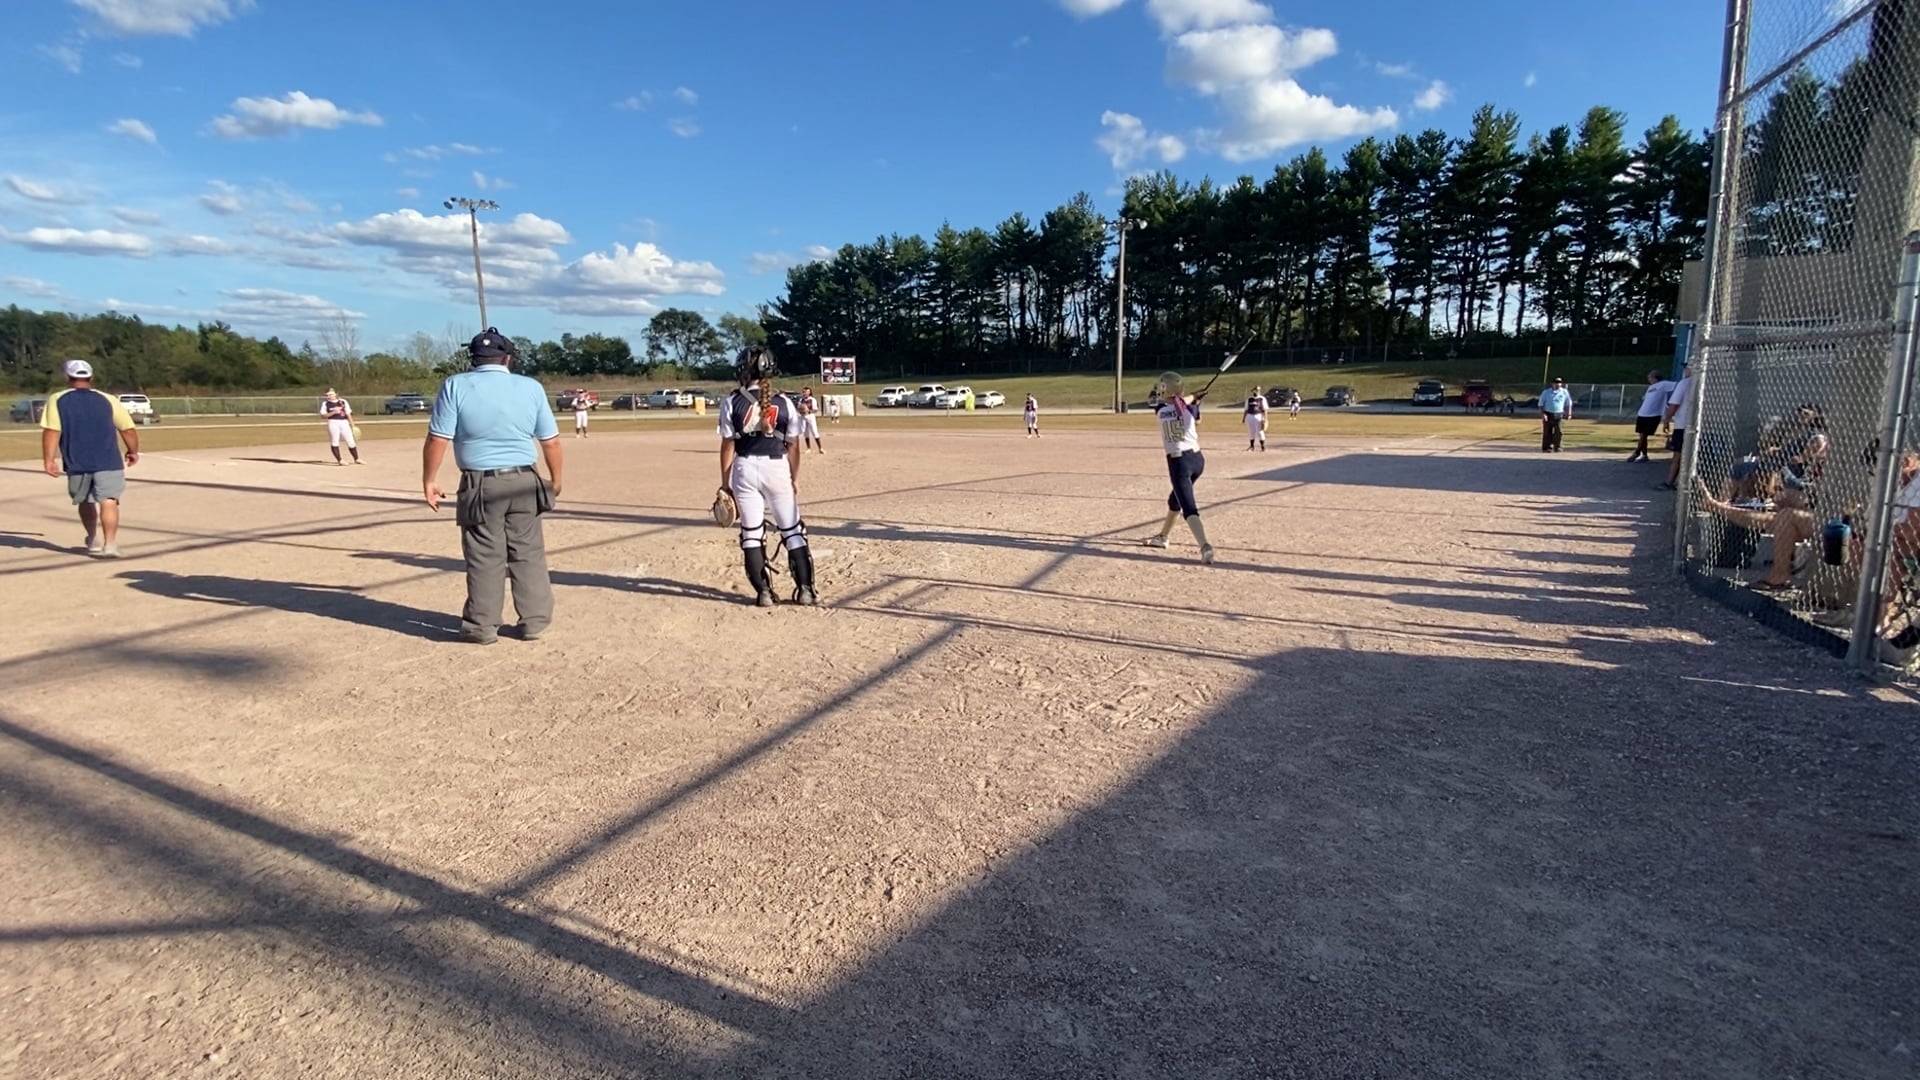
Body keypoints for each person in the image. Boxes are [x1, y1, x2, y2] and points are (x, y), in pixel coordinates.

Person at [422, 327, 564, 646]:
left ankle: (482, 627)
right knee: (528, 552)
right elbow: (551, 441)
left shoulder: (455, 385)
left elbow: (437, 439)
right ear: (508, 358)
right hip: (525, 479)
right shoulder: (530, 387)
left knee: (485, 555)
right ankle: (534, 621)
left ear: (473, 358)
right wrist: (555, 480)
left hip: (480, 483)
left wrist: (429, 480)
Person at [719, 346, 818, 607]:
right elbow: (793, 446)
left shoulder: (731, 402)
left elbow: (728, 445)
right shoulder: (784, 402)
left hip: (744, 469)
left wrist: (724, 484)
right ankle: (806, 590)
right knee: (793, 531)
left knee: (751, 534)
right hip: (777, 468)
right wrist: (794, 477)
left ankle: (764, 593)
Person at [40, 359, 139, 558]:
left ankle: (93, 538)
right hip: (108, 460)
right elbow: (127, 429)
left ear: (67, 377)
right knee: (109, 500)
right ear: (91, 377)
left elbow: (52, 431)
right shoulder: (108, 399)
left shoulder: (57, 399)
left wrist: (49, 460)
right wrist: (132, 450)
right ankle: (110, 545)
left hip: (76, 460)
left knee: (85, 500)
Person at [1141, 370, 1216, 565]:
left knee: (1189, 508)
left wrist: (1193, 398)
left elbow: (1174, 402)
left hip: (1179, 463)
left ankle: (1205, 546)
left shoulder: (1160, 409)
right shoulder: (1188, 407)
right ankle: (1163, 537)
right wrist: (1196, 400)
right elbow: (1196, 420)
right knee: (1174, 500)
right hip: (1197, 460)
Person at [1629, 369, 1678, 462]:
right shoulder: (1650, 388)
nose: (1649, 379)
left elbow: (1676, 386)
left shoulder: (1663, 384)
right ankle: (1644, 455)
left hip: (1653, 414)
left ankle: (1637, 452)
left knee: (1644, 434)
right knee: (1642, 435)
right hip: (1643, 413)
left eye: (1650, 377)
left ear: (1655, 378)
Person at [1661, 363, 1696, 490]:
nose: (1685, 370)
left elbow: (1674, 404)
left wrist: (1667, 420)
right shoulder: (1702, 383)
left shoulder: (1684, 383)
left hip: (1682, 424)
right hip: (1697, 424)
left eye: (1686, 368)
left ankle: (1670, 481)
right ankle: (1687, 482)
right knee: (1692, 456)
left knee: (1678, 455)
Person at [321, 388, 361, 465]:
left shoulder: (343, 402)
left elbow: (348, 414)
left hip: (344, 422)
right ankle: (340, 460)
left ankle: (357, 459)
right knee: (335, 441)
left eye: (331, 394)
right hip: (333, 422)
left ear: (336, 394)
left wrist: (353, 425)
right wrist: (333, 412)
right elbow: (323, 416)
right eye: (327, 395)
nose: (329, 396)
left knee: (351, 441)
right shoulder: (325, 404)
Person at [1539, 377, 1572, 453]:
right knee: (1547, 432)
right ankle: (1547, 447)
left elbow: (1568, 403)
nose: (1558, 384)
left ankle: (1557, 447)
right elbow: (1541, 404)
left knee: (1559, 431)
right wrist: (1543, 414)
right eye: (1556, 382)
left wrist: (1569, 413)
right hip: (1548, 413)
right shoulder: (1546, 392)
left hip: (1559, 414)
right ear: (1552, 384)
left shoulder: (1564, 392)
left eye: (1559, 383)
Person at [797, 386, 824, 453]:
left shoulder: (812, 399)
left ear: (809, 393)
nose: (805, 393)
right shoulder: (801, 400)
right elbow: (798, 408)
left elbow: (815, 409)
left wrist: (808, 411)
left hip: (810, 416)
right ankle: (808, 448)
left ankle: (820, 448)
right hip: (803, 417)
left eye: (807, 392)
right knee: (805, 432)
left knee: (814, 431)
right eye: (804, 392)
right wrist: (801, 411)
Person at [1242, 386, 1268, 451]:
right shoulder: (1249, 399)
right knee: (1251, 431)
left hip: (1258, 416)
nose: (1256, 392)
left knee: (1260, 431)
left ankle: (1262, 446)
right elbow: (1246, 409)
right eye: (1255, 390)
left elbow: (1265, 409)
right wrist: (1244, 418)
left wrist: (1265, 419)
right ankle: (1252, 446)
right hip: (1250, 416)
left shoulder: (1262, 399)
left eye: (1258, 391)